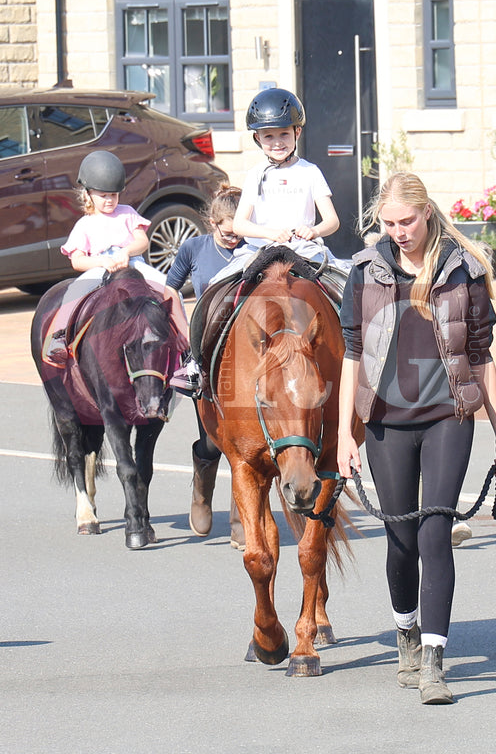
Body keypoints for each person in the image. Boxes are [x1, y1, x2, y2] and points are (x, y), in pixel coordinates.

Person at [337, 172, 496, 705]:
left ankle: (434, 661)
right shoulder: (365, 271)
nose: (398, 232)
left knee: (436, 534)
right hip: (386, 422)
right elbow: (351, 355)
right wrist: (348, 434)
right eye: (388, 224)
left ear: (427, 213)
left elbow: (481, 356)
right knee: (402, 541)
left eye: (406, 221)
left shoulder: (465, 270)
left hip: (448, 417)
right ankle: (406, 632)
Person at [44, 150, 188, 365]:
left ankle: (184, 341)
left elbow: (142, 241)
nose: (110, 200)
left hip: (132, 264)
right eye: (103, 196)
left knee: (169, 289)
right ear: (88, 194)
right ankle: (60, 337)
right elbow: (77, 260)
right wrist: (101, 261)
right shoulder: (85, 224)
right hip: (100, 267)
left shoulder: (127, 212)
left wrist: (127, 251)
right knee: (74, 291)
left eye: (114, 195)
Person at [164, 184, 246, 550]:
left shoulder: (255, 250)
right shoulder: (194, 248)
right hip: (207, 352)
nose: (232, 237)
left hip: (248, 353)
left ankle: (241, 517)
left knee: (245, 444)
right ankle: (201, 494)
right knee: (214, 441)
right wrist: (185, 331)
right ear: (212, 222)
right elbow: (170, 289)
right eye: (226, 230)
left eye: (239, 229)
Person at [217, 87, 350, 277]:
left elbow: (332, 221)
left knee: (345, 284)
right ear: (258, 138)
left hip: (304, 251)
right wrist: (270, 234)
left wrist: (313, 231)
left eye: (284, 134)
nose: (277, 143)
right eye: (269, 136)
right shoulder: (255, 174)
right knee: (217, 287)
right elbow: (239, 225)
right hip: (259, 251)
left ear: (297, 132)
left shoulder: (310, 171)